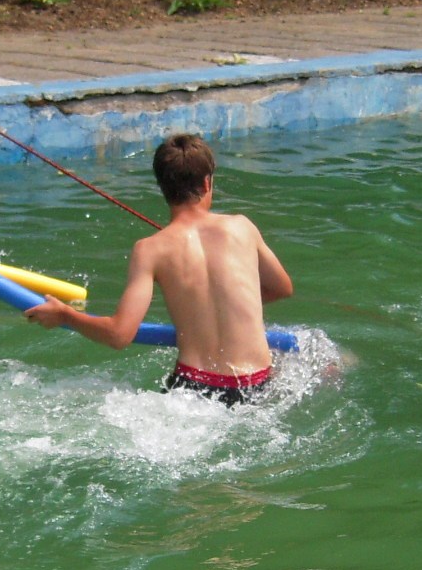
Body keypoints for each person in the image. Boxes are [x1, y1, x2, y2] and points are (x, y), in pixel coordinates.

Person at [24, 133, 294, 406]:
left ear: (162, 187)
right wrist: (230, 305)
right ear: (207, 182)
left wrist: (65, 315)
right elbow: (282, 288)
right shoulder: (242, 227)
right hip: (257, 386)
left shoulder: (150, 250)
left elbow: (119, 335)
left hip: (194, 391)